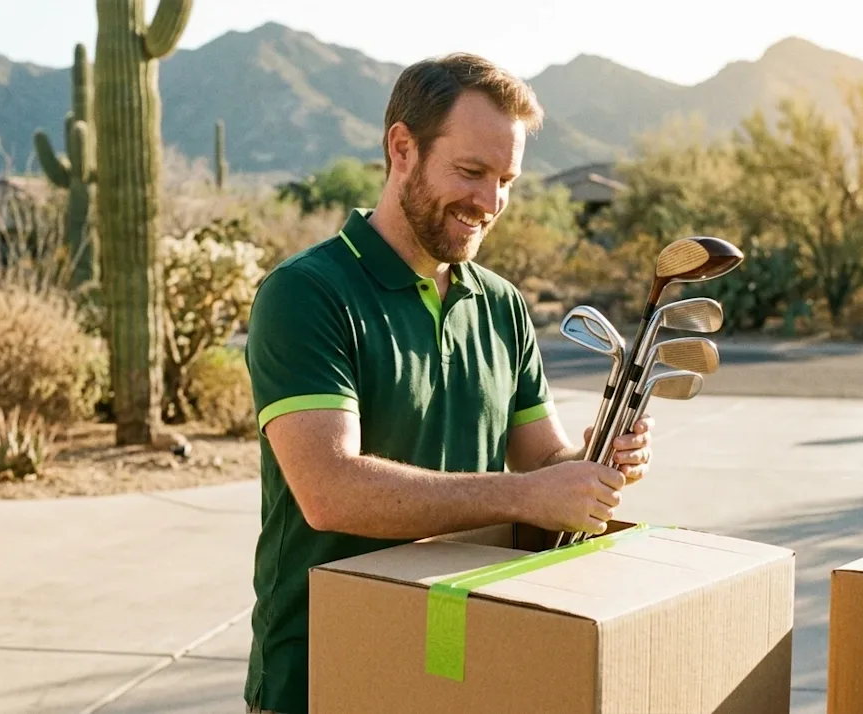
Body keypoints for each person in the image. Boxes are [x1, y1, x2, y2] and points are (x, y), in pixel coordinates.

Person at [241, 52, 654, 714]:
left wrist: (594, 464)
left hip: (463, 663)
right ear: (401, 148)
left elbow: (542, 460)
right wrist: (527, 496)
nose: (490, 203)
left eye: (506, 180)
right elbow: (330, 491)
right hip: (322, 674)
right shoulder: (307, 294)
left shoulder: (501, 304)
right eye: (470, 172)